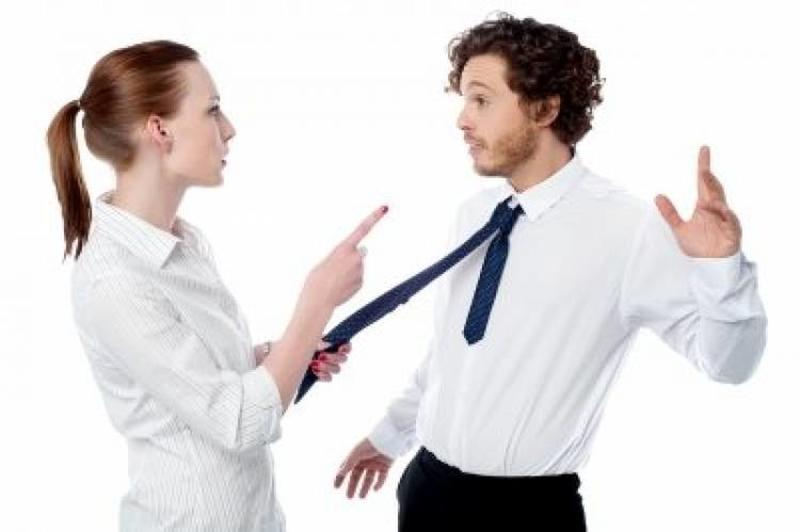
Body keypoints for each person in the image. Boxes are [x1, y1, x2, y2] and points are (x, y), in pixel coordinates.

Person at [333, 13, 767, 531]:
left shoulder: (627, 229)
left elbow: (729, 365)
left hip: (529, 514)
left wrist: (721, 270)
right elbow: (452, 353)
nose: (462, 120)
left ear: (544, 108)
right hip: (427, 491)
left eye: (481, 100)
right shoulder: (475, 215)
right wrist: (390, 436)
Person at [47, 40, 387, 531]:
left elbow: (198, 382)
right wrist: (317, 301)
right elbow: (239, 421)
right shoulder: (114, 280)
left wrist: (283, 353)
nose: (228, 128)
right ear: (159, 129)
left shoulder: (183, 243)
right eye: (212, 110)